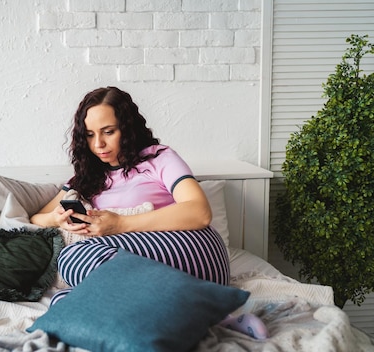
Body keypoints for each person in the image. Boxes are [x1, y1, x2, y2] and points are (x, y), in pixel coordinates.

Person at [30, 86, 268, 339]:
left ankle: (75, 305)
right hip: (148, 269)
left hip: (193, 249)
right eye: (89, 135)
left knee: (74, 256)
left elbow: (199, 213)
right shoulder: (87, 177)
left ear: (128, 127)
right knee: (71, 272)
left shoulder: (159, 158)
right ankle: (217, 319)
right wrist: (56, 219)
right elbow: (36, 217)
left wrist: (120, 224)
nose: (98, 144)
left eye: (108, 132)